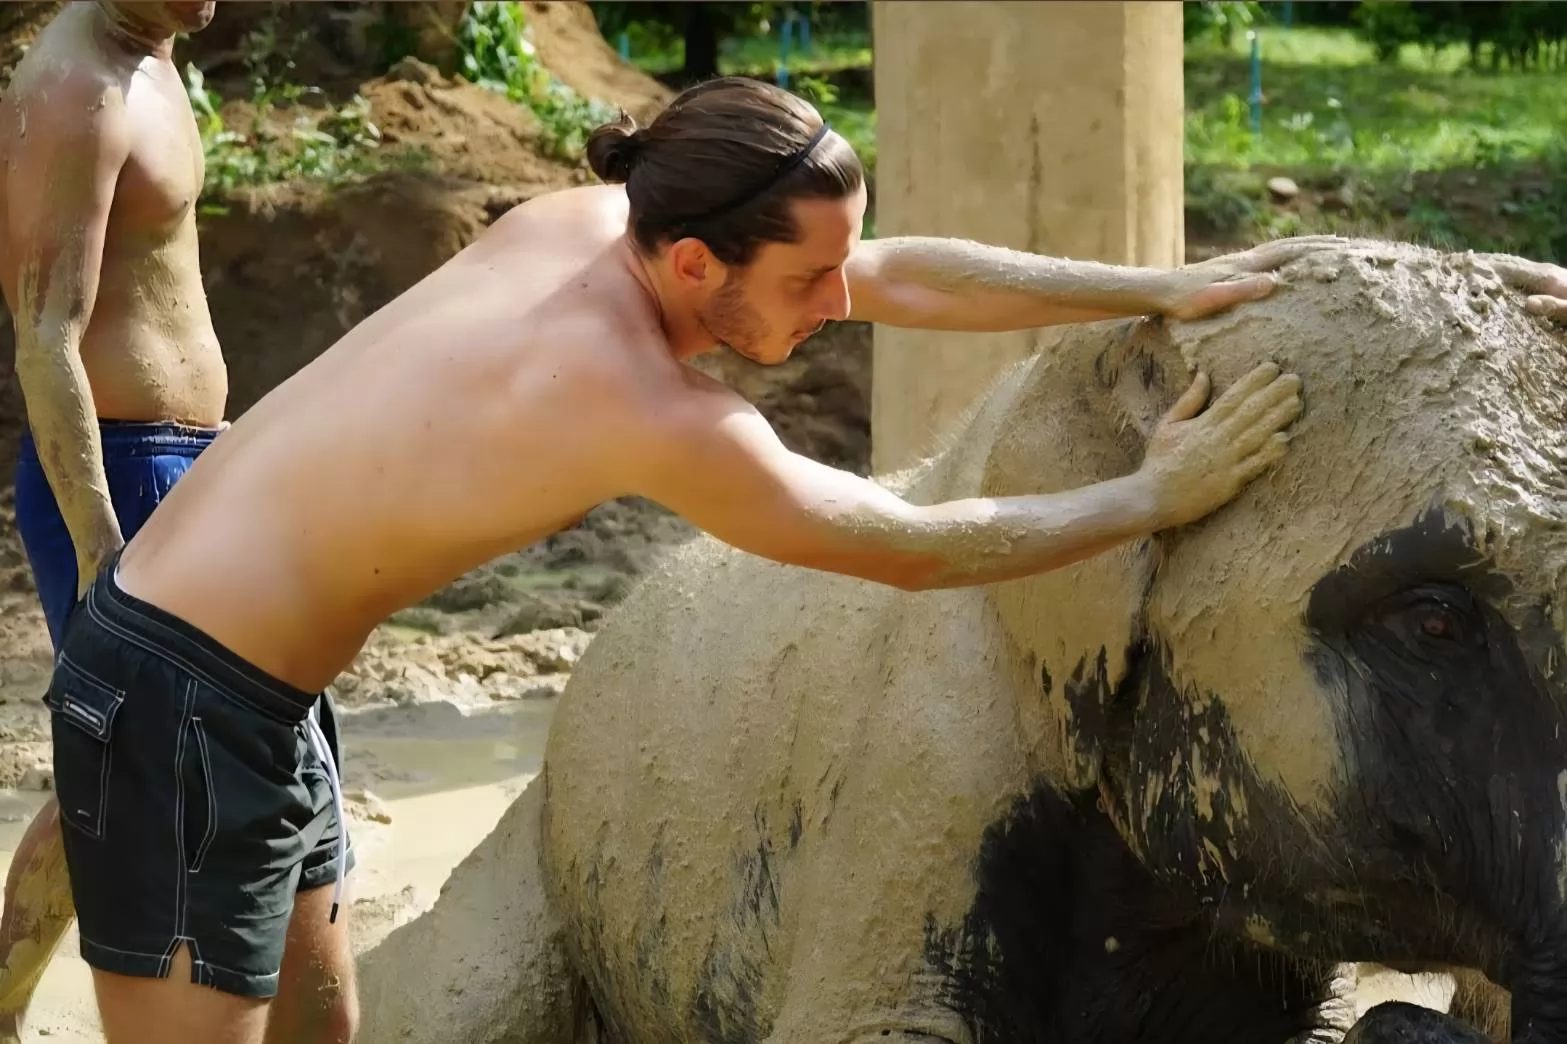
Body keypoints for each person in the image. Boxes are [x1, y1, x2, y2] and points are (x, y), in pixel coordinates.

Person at [36, 69, 1329, 1039]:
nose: (838, 307)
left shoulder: (604, 222)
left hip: (255, 692)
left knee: (325, 1028)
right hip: (181, 698)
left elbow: (906, 277)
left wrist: (1151, 288)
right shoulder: (634, 405)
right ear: (700, 260)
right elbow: (915, 550)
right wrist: (1151, 494)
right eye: (807, 282)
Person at [0, 2, 290, 1042]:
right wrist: (101, 548)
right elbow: (45, 336)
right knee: (120, 774)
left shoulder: (156, 54)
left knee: (135, 770)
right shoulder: (74, 90)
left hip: (188, 459)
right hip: (121, 472)